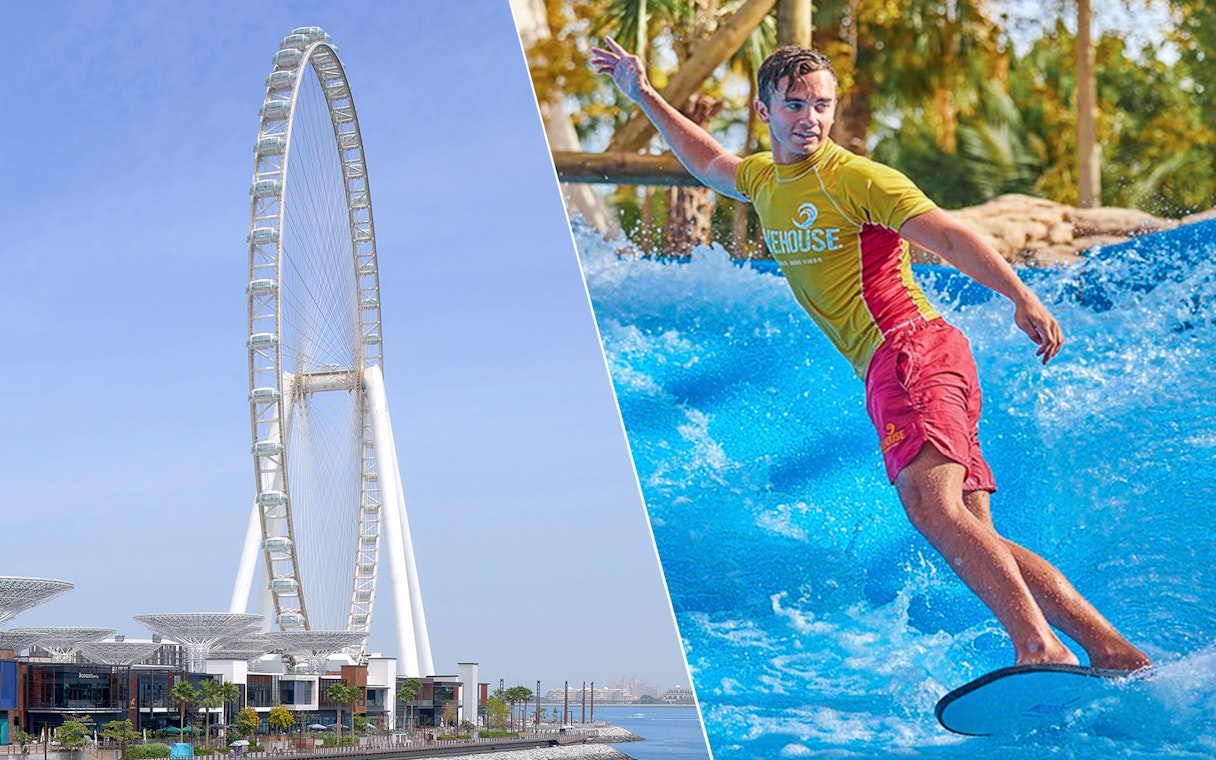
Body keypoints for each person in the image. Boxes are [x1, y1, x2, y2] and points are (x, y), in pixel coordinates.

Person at [590, 37, 1150, 671]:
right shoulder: (765, 180)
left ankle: (1038, 647)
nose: (811, 119)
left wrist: (1019, 294)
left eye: (822, 106)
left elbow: (947, 232)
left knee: (930, 507)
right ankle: (1112, 650)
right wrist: (645, 94)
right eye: (795, 104)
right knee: (972, 529)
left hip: (909, 349)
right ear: (764, 110)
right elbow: (709, 159)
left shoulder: (854, 176)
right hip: (920, 355)